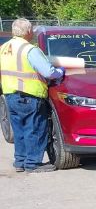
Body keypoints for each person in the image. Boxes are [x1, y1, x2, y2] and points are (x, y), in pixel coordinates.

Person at [0, 18, 65, 172]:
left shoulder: (4, 48)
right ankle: (33, 164)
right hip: (29, 95)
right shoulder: (29, 49)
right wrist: (60, 72)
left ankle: (20, 162)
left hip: (10, 94)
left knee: (20, 130)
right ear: (28, 31)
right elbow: (48, 72)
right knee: (34, 129)